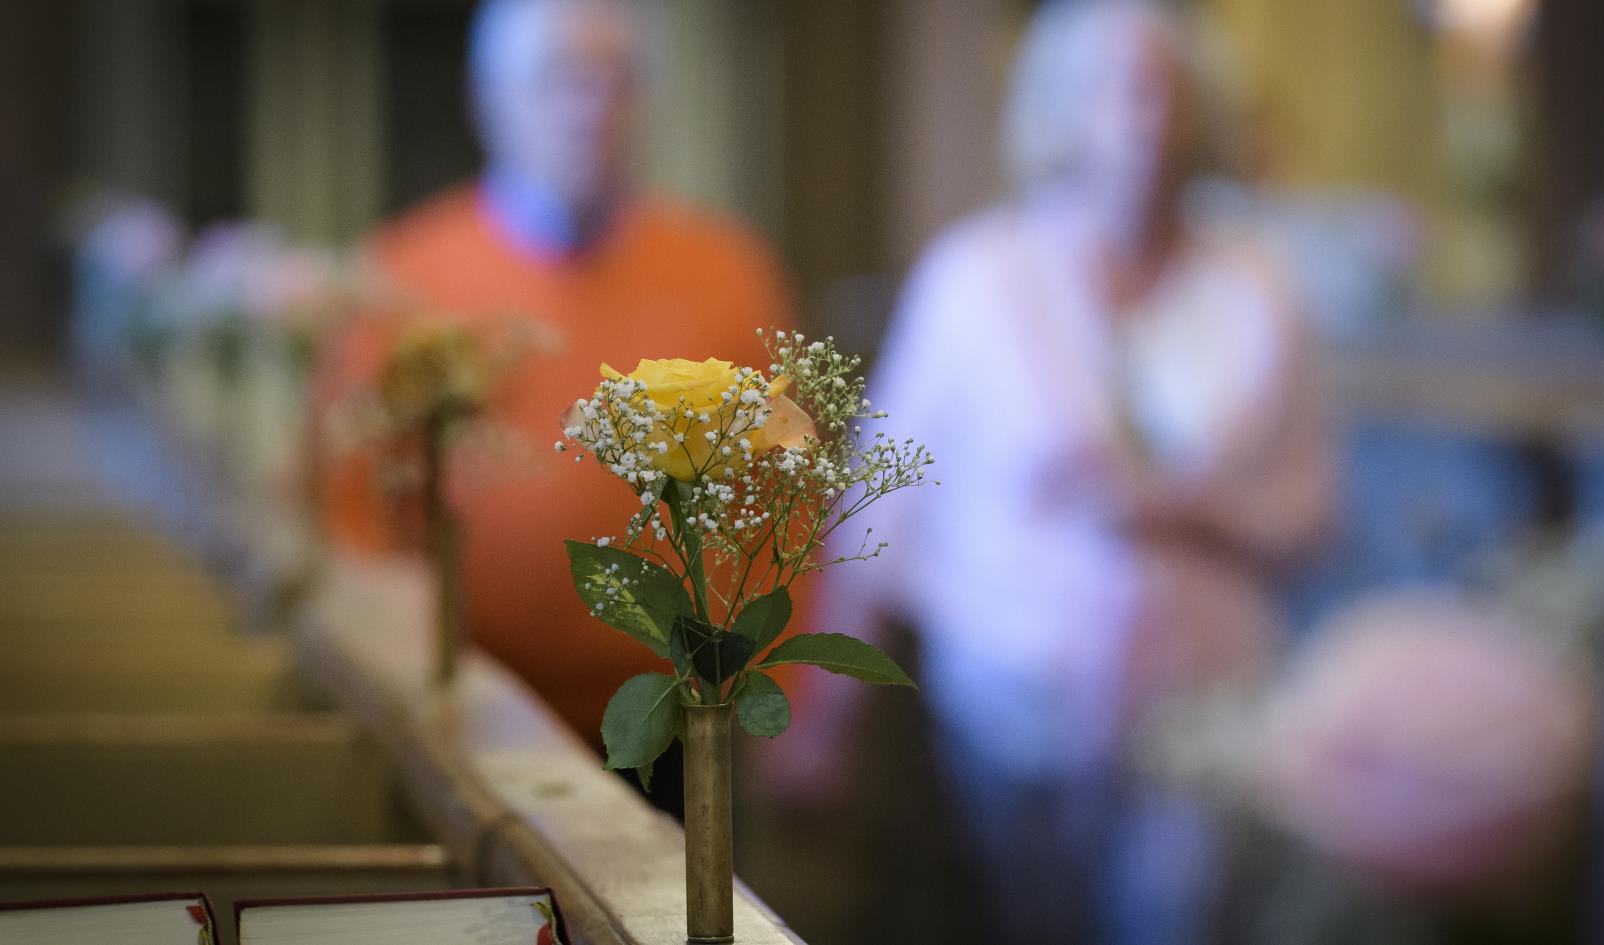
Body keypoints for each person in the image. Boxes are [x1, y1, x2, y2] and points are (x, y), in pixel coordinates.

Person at [778, 2, 1334, 942]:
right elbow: (884, 502)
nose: (1144, 113)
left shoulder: (1257, 282)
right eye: (1116, 86)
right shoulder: (978, 276)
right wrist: (826, 711)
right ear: (1056, 109)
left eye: (1165, 85)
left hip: (1208, 719)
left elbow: (1313, 512)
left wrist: (1173, 505)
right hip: (1012, 710)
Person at [318, 0, 791, 753]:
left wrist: (784, 695)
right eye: (559, 78)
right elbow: (348, 502)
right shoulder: (400, 277)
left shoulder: (727, 275)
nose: (590, 107)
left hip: (684, 718)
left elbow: (782, 504)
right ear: (488, 97)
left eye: (618, 79)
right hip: (457, 713)